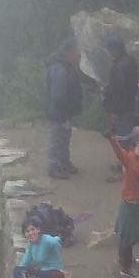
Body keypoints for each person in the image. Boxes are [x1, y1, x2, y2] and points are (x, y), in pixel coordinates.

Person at [108, 133, 139, 278]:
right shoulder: (128, 159)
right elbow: (118, 151)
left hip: (135, 204)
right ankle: (126, 268)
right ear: (134, 148)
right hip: (130, 204)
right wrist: (112, 138)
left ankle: (123, 258)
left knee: (126, 235)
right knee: (128, 237)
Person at [102, 37, 139, 182]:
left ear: (114, 51)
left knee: (122, 137)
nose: (108, 55)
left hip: (121, 107)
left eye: (109, 51)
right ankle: (123, 163)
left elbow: (117, 90)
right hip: (129, 104)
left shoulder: (118, 67)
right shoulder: (130, 61)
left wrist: (112, 109)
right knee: (126, 136)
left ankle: (125, 169)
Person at [45, 37, 83, 179]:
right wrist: (64, 117)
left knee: (65, 138)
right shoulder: (60, 69)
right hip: (59, 113)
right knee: (57, 139)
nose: (79, 55)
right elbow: (58, 96)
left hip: (64, 112)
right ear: (70, 53)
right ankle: (53, 167)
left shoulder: (65, 66)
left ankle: (64, 162)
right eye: (77, 52)